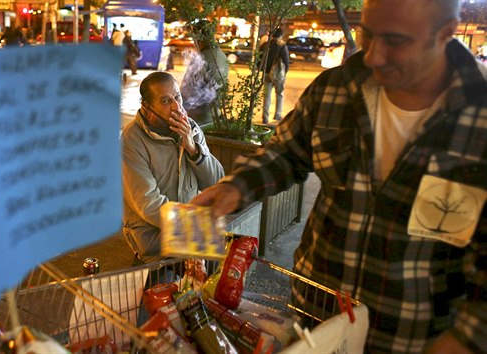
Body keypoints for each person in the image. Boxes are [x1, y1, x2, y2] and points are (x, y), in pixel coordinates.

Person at [191, 1, 486, 353]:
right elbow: (285, 152)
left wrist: (468, 337)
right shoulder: (337, 88)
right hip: (316, 319)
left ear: (446, 33)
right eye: (368, 34)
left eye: (395, 40)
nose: (373, 56)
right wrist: (237, 186)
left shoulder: (479, 118)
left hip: (415, 337)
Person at [122, 71, 224, 264]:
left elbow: (216, 182)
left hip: (189, 228)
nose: (177, 107)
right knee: (170, 288)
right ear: (147, 107)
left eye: (177, 97)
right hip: (152, 238)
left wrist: (193, 149)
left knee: (222, 271)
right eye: (166, 101)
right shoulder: (131, 140)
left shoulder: (190, 128)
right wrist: (195, 228)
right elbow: (148, 203)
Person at [180, 20, 229, 125]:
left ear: (198, 38)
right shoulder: (222, 56)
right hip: (216, 112)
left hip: (199, 115)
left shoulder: (201, 59)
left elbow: (187, 90)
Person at [260, 27, 289, 123]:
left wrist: (262, 70)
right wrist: (284, 72)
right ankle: (277, 115)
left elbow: (259, 60)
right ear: (281, 35)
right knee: (279, 94)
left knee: (267, 95)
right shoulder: (282, 46)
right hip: (278, 74)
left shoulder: (265, 45)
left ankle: (265, 117)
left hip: (267, 73)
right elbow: (286, 61)